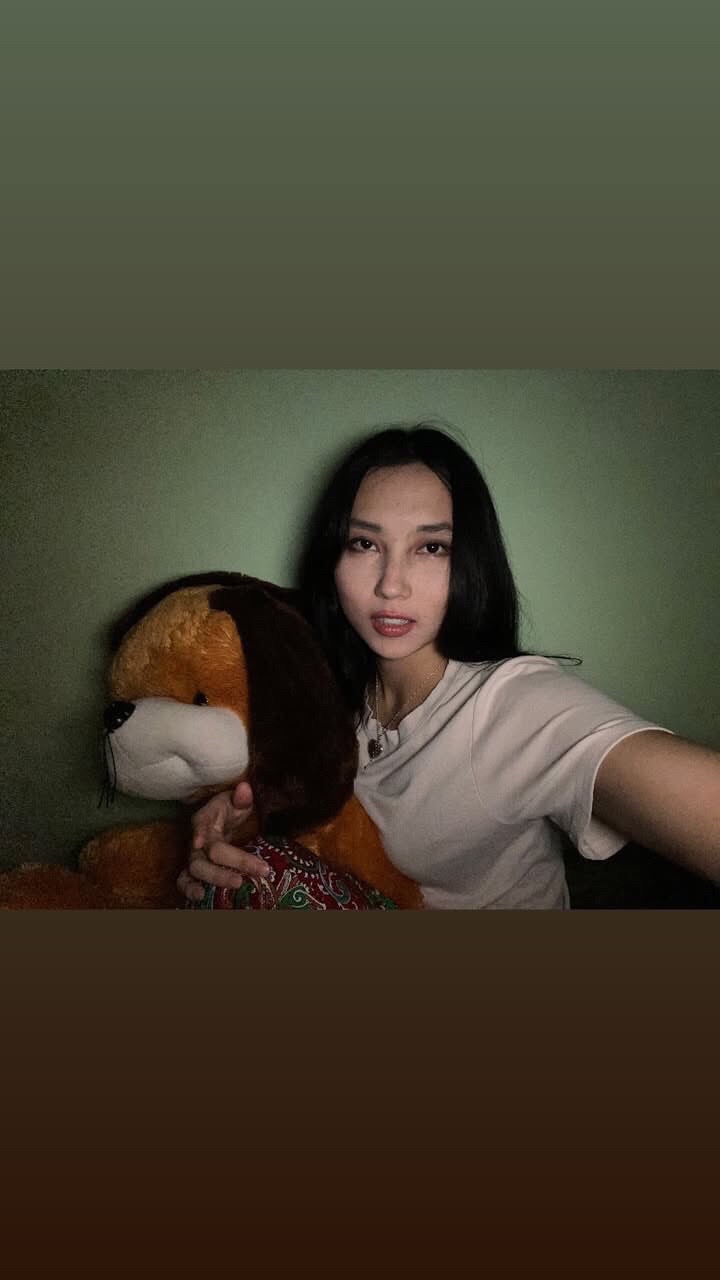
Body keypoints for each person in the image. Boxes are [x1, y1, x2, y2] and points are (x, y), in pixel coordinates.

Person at [177, 425, 720, 908]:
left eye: (432, 547)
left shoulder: (508, 705)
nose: (392, 584)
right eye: (364, 543)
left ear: (471, 563)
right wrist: (243, 824)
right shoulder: (327, 693)